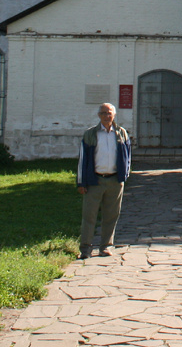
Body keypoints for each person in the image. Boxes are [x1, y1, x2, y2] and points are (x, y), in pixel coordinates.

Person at [76, 102, 131, 259]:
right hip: (95, 180)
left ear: (114, 115)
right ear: (99, 115)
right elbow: (82, 159)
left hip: (115, 180)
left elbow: (127, 155)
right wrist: (81, 182)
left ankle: (106, 246)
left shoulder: (121, 133)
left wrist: (124, 174)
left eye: (109, 113)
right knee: (89, 216)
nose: (107, 116)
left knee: (111, 215)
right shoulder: (90, 134)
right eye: (103, 113)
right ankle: (85, 248)